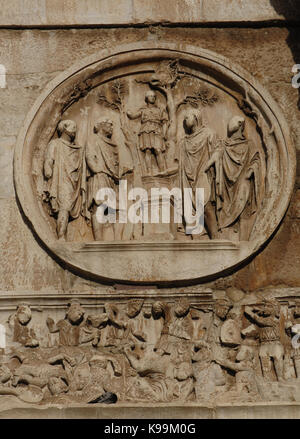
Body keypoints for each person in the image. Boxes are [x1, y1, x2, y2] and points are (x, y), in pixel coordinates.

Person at [205, 115, 261, 240]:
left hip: (242, 180)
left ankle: (242, 236)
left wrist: (251, 170)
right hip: (226, 185)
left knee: (243, 199)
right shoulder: (224, 145)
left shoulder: (249, 144)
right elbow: (216, 155)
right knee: (224, 208)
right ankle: (224, 232)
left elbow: (256, 160)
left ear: (240, 126)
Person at [43, 119, 86, 240]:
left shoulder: (76, 148)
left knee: (66, 208)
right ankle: (61, 236)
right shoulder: (55, 143)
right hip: (60, 180)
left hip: (72, 182)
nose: (75, 130)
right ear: (64, 129)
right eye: (73, 127)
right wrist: (48, 169)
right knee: (64, 208)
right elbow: (49, 159)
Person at [180, 110, 218, 238]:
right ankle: (196, 240)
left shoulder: (208, 134)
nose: (185, 120)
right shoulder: (184, 141)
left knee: (205, 205)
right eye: (184, 118)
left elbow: (218, 150)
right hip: (187, 177)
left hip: (202, 174)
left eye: (187, 117)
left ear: (196, 117)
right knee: (189, 208)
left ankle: (215, 237)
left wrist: (206, 167)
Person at [86, 118, 119, 241]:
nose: (111, 128)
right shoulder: (94, 139)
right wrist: (98, 169)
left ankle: (112, 239)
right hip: (99, 176)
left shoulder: (109, 143)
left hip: (110, 178)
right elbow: (90, 157)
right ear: (101, 125)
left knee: (111, 207)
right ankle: (98, 239)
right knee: (99, 206)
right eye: (109, 125)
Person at [127, 90, 168, 175]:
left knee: (158, 150)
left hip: (157, 130)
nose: (152, 97)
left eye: (153, 96)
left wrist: (164, 133)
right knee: (148, 151)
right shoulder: (143, 109)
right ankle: (149, 171)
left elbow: (164, 122)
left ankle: (162, 170)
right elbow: (134, 116)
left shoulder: (160, 110)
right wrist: (128, 113)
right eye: (150, 96)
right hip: (145, 130)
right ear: (146, 98)